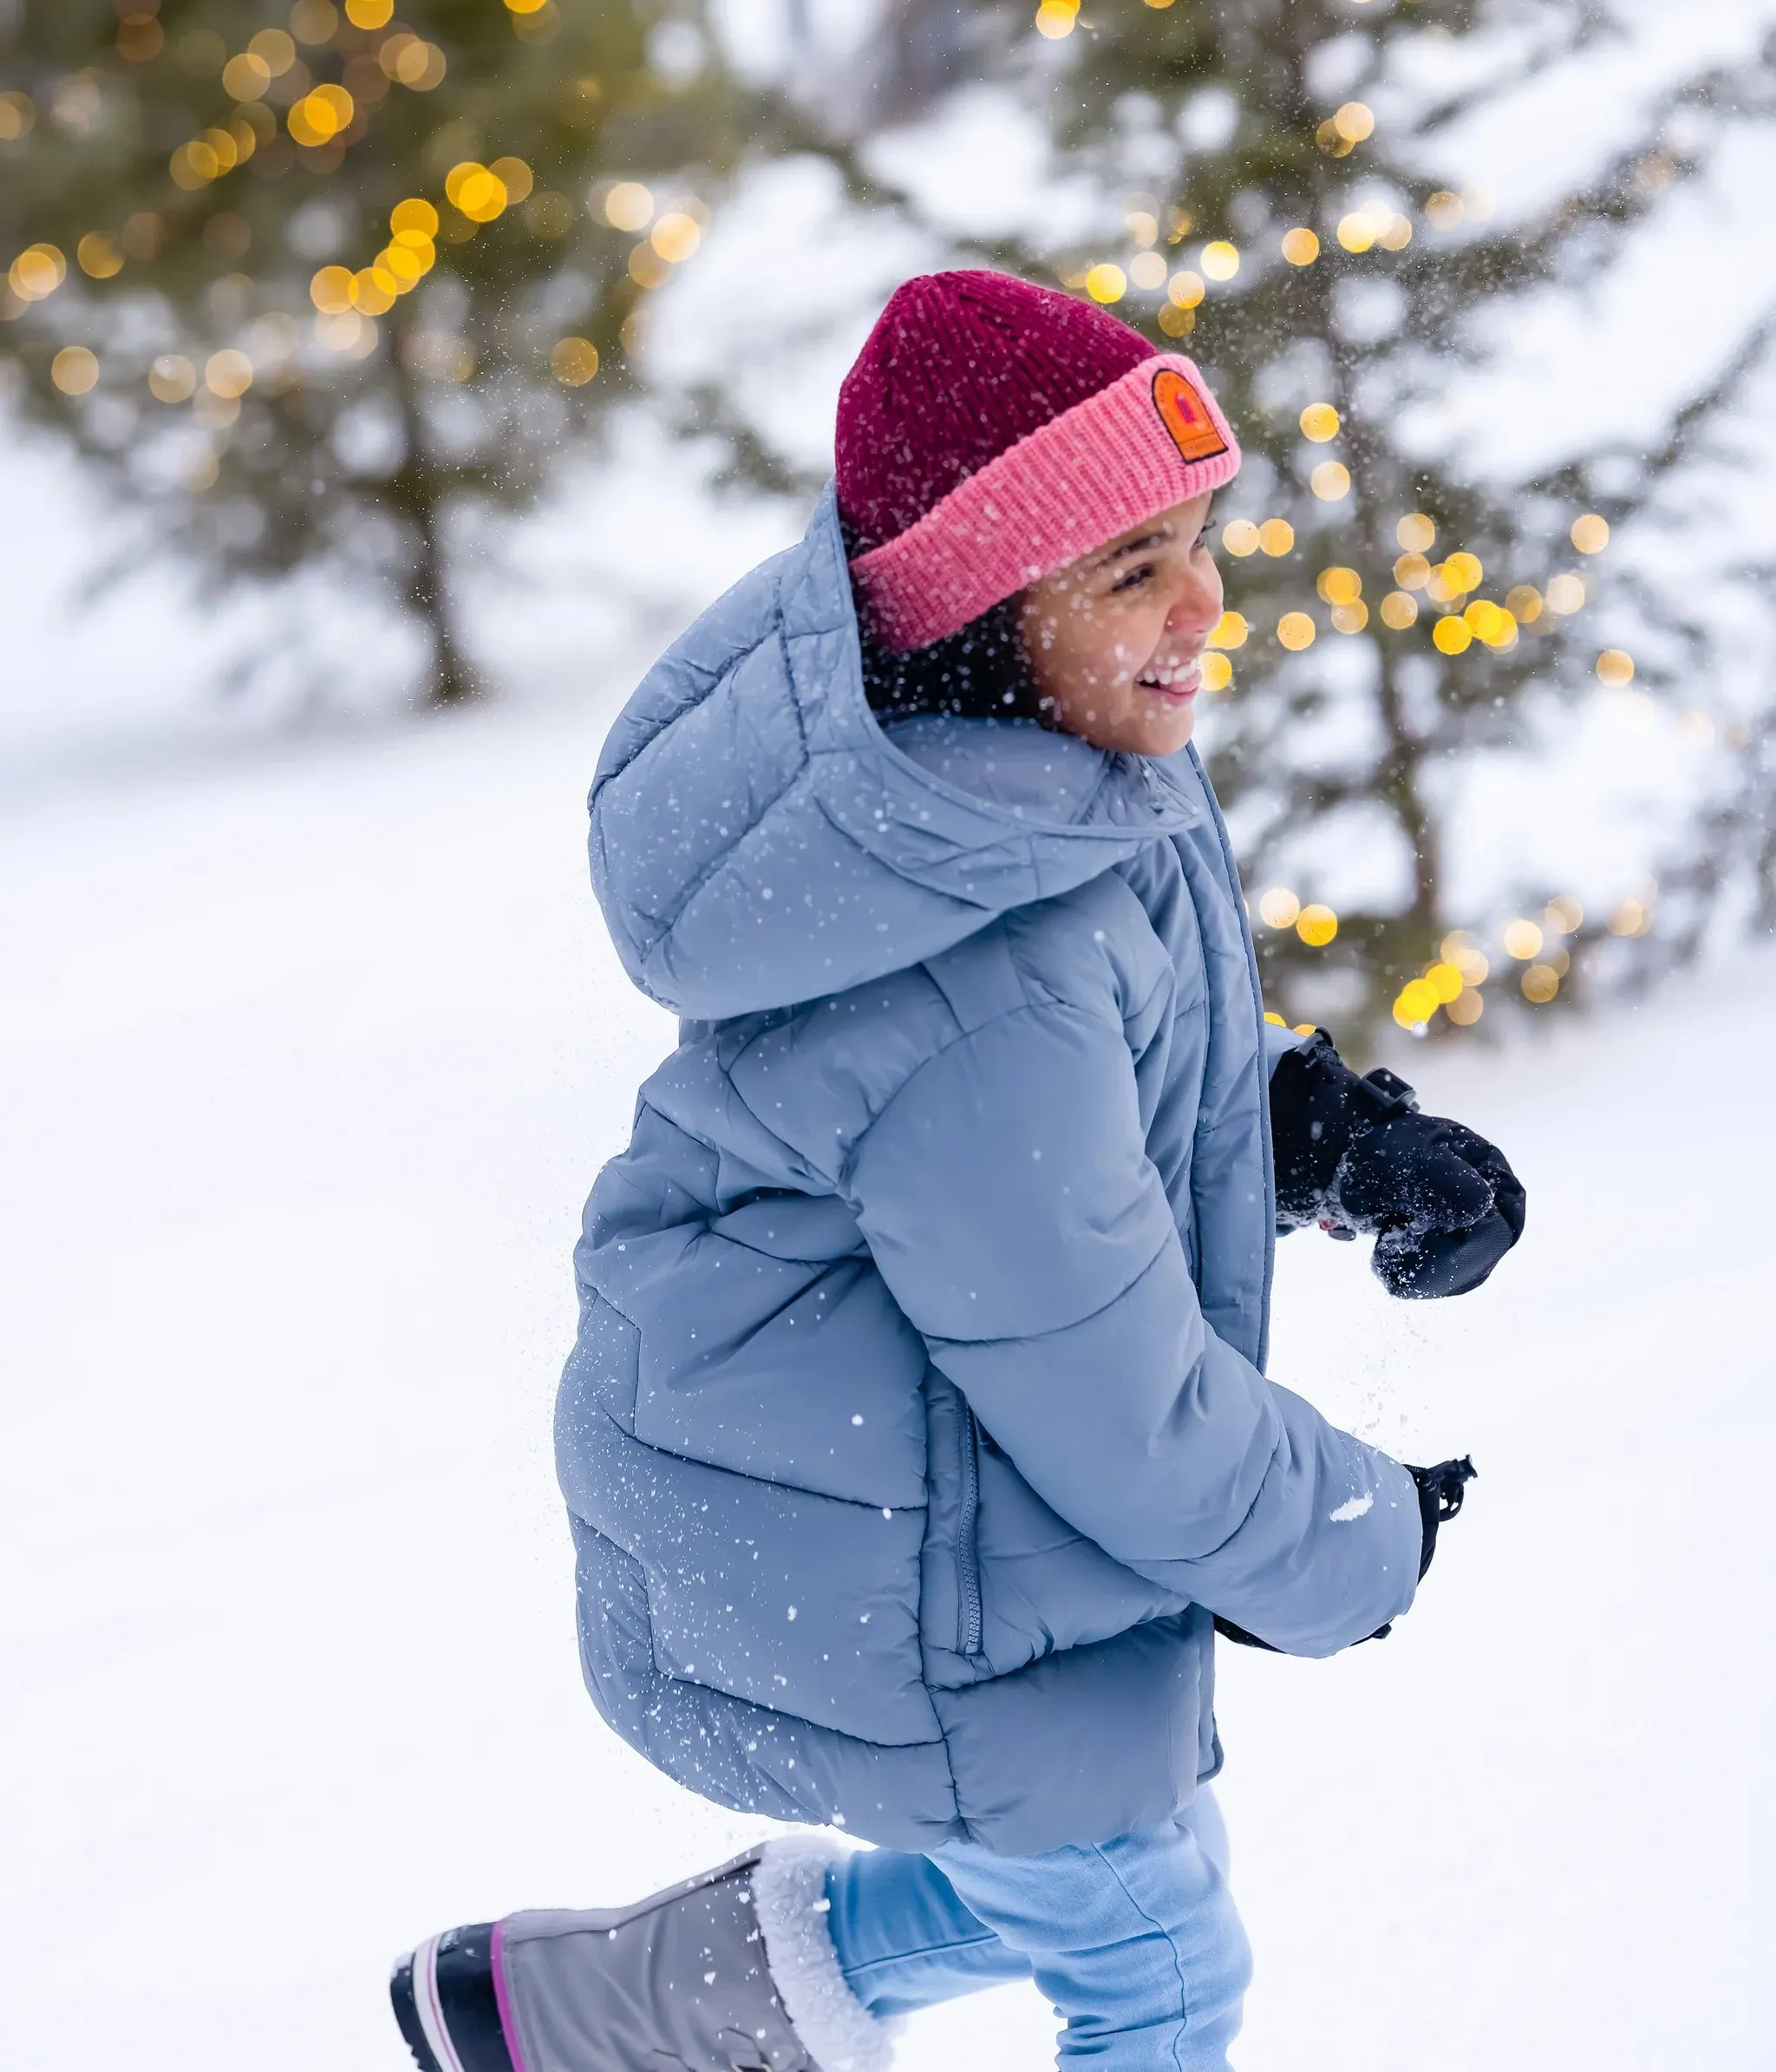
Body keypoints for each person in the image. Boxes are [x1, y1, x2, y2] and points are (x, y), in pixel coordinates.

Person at [389, 271, 1524, 2072]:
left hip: (909, 1503)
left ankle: (581, 2012)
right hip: (881, 1546)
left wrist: (1329, 1137)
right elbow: (1115, 1402)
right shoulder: (972, 954)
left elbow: (1120, 1083)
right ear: (984, 612)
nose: (1203, 602)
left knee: (1090, 1859)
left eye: (1201, 538)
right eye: (1129, 567)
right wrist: (1350, 1533)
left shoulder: (1013, 792)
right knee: (1152, 1964)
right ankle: (608, 2006)